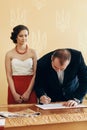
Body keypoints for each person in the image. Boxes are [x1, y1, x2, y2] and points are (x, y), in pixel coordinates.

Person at [5, 25, 37, 104]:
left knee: (32, 114)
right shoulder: (9, 54)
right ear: (16, 37)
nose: (24, 38)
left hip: (30, 87)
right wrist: (14, 94)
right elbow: (8, 75)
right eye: (21, 36)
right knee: (14, 115)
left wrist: (28, 92)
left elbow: (35, 73)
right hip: (14, 87)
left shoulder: (33, 52)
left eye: (26, 35)